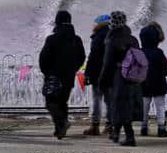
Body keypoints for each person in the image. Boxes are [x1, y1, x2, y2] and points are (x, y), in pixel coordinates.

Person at [39, 10, 86, 140]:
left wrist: (47, 72)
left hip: (53, 76)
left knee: (51, 102)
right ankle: (60, 130)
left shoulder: (52, 39)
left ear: (57, 21)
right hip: (68, 76)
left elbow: (43, 58)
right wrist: (73, 69)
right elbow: (82, 57)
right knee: (62, 102)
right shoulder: (76, 39)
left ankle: (61, 124)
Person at [98, 11, 142, 147]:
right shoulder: (133, 39)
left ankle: (129, 137)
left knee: (119, 106)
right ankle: (116, 133)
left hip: (118, 77)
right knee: (124, 105)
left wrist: (102, 81)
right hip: (133, 78)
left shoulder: (112, 39)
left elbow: (107, 63)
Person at [83, 14, 112, 136]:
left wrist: (87, 73)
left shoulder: (98, 37)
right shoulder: (113, 36)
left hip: (98, 74)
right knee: (110, 100)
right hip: (111, 73)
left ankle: (95, 126)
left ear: (99, 24)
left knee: (97, 99)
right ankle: (110, 125)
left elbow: (93, 57)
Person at [140, 22, 167, 137]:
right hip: (158, 83)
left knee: (144, 106)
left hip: (143, 84)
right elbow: (165, 68)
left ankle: (144, 127)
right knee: (160, 106)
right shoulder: (159, 53)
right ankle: (161, 128)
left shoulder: (140, 53)